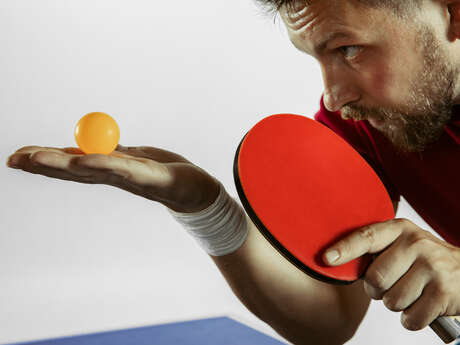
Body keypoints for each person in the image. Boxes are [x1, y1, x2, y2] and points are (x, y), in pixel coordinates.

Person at [5, 0, 460, 344]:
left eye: (349, 49)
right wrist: (207, 210)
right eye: (315, 57)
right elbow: (331, 319)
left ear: (453, 14)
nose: (333, 96)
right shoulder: (363, 122)